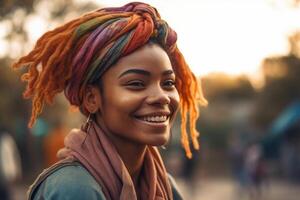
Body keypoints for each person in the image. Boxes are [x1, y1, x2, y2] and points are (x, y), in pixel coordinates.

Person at [13, 2, 207, 199]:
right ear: (92, 98)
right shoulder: (73, 189)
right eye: (137, 84)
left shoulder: (165, 186)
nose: (162, 96)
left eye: (168, 83)